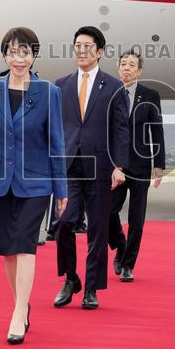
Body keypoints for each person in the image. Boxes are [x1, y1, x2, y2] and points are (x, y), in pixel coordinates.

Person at [0, 27, 67, 344]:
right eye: (12, 52)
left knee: (24, 246)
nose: (19, 59)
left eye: (25, 52)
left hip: (36, 183)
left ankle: (18, 310)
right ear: (4, 55)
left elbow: (56, 143)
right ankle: (20, 305)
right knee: (7, 251)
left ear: (34, 55)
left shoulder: (48, 92)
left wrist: (62, 189)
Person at [53, 26, 129, 310]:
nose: (81, 51)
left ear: (99, 52)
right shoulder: (61, 85)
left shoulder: (114, 87)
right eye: (77, 46)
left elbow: (121, 129)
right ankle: (71, 278)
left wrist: (119, 165)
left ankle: (92, 288)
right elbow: (54, 127)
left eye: (87, 46)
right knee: (63, 223)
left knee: (97, 230)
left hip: (101, 167)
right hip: (70, 165)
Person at [107, 49, 165, 283]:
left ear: (139, 71)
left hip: (140, 165)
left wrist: (159, 164)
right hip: (116, 166)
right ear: (118, 68)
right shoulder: (109, 92)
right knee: (107, 211)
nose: (127, 68)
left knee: (136, 220)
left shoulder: (150, 95)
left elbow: (157, 130)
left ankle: (128, 265)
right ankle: (120, 245)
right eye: (123, 64)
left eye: (132, 65)